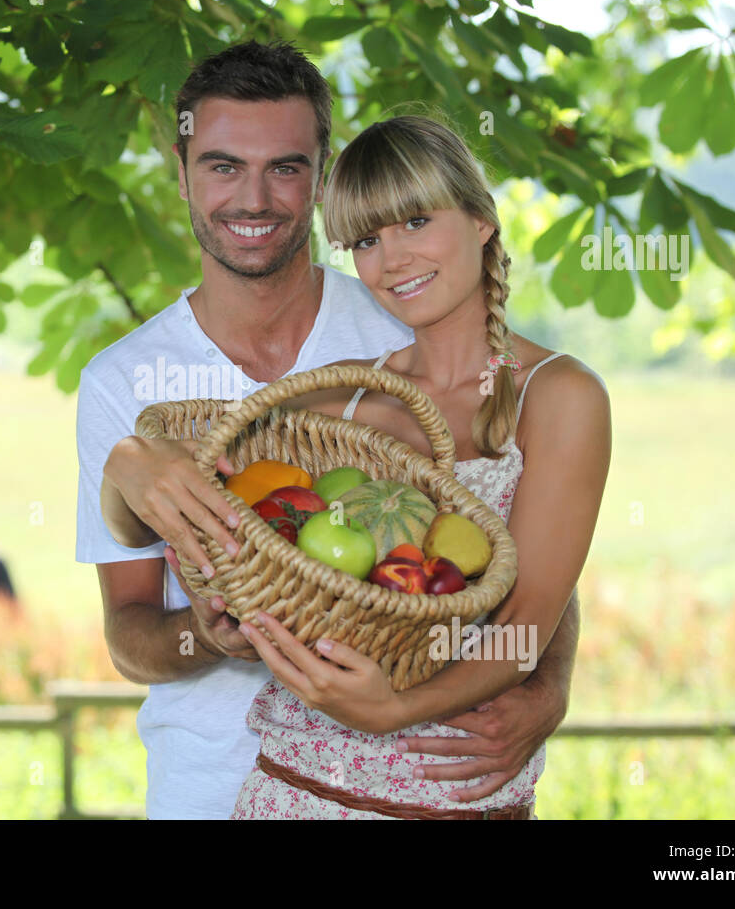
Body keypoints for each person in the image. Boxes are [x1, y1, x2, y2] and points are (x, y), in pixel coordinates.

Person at [77, 41, 580, 819]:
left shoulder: (398, 321)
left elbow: (506, 537)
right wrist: (205, 630)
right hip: (221, 787)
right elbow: (129, 637)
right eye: (221, 166)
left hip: (426, 776)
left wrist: (545, 684)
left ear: (321, 177)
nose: (254, 198)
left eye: (284, 167)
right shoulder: (121, 381)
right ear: (181, 175)